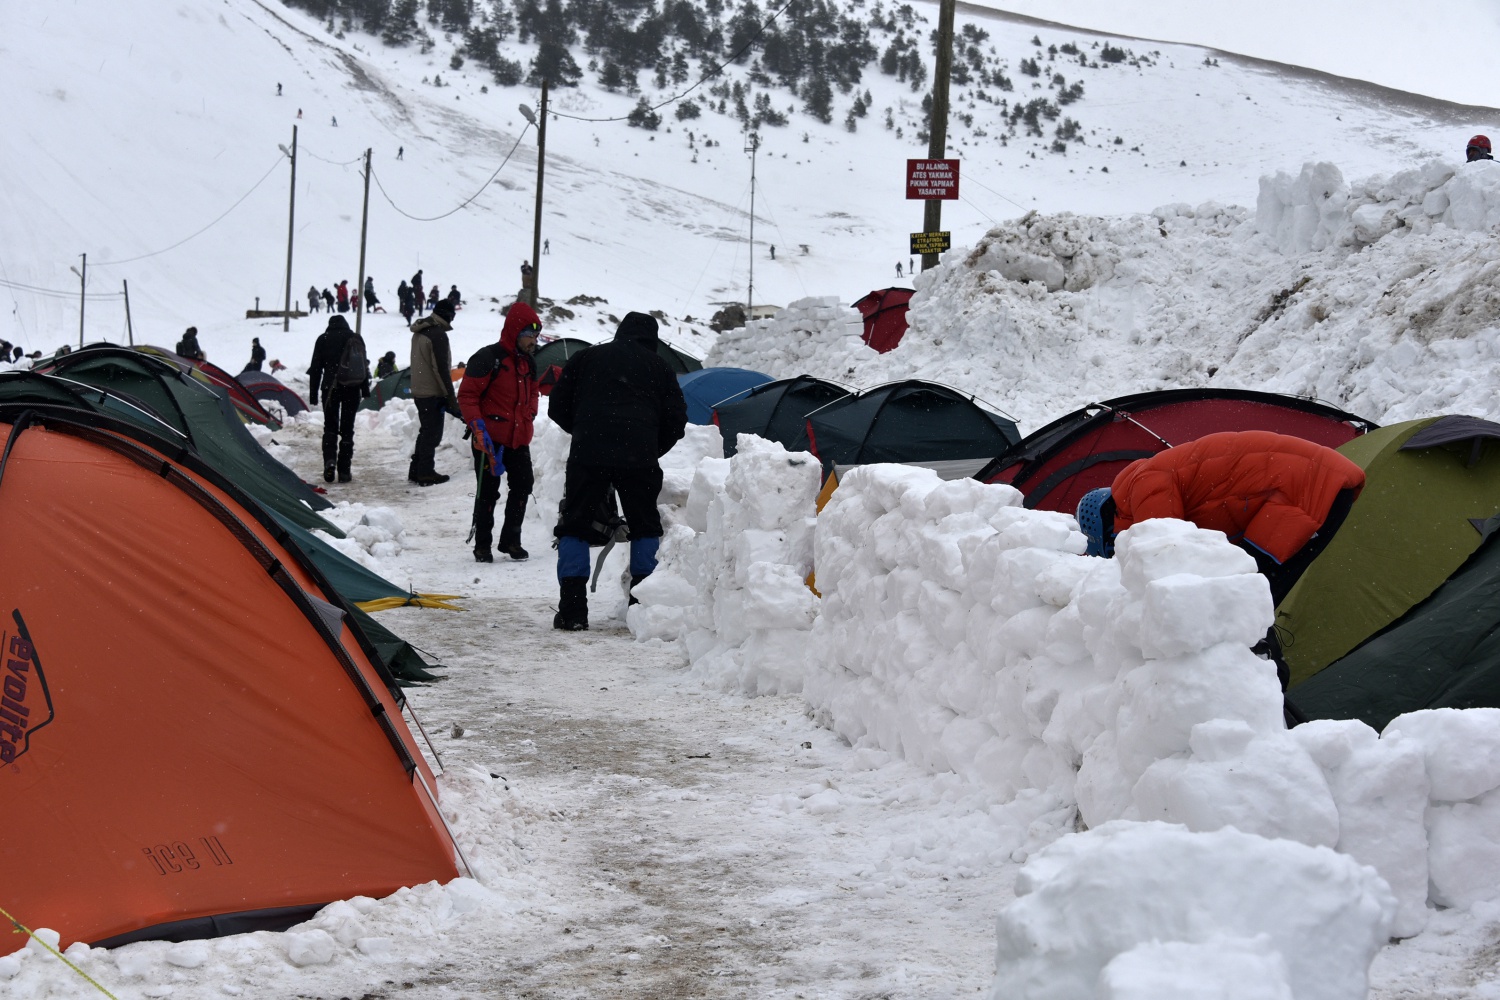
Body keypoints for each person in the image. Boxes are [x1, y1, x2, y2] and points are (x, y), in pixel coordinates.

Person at [1075, 430, 1365, 607]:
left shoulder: (1143, 484)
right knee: (1254, 595)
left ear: (1108, 525)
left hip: (1306, 487)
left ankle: (1244, 683)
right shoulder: (1143, 481)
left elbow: (1168, 552)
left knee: (1249, 593)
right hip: (1317, 484)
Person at [547, 312, 688, 630]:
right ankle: (641, 607)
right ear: (651, 340)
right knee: (644, 526)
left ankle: (572, 611)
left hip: (589, 452)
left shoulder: (586, 357)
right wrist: (651, 446)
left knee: (575, 525)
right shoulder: (659, 367)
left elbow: (557, 405)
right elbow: (676, 419)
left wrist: (585, 430)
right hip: (638, 456)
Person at [458, 302, 542, 562]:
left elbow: (532, 394)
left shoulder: (529, 363)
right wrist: (477, 426)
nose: (534, 341)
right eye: (530, 335)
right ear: (516, 332)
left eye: (536, 336)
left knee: (523, 485)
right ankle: (483, 545)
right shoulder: (488, 358)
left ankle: (511, 541)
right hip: (488, 439)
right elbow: (467, 395)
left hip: (518, 439)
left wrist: (530, 414)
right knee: (487, 491)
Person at [307, 315, 369, 483]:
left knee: (330, 427)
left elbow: (315, 368)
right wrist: (365, 390)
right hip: (352, 387)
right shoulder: (354, 338)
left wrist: (313, 394)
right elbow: (363, 365)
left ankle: (329, 461)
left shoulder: (323, 339)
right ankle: (344, 470)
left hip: (330, 388)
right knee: (348, 429)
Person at [408, 298, 461, 485]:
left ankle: (416, 470)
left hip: (420, 390)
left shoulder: (421, 331)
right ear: (448, 315)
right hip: (431, 392)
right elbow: (440, 369)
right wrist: (450, 397)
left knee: (425, 432)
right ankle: (425, 473)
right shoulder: (437, 334)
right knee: (432, 434)